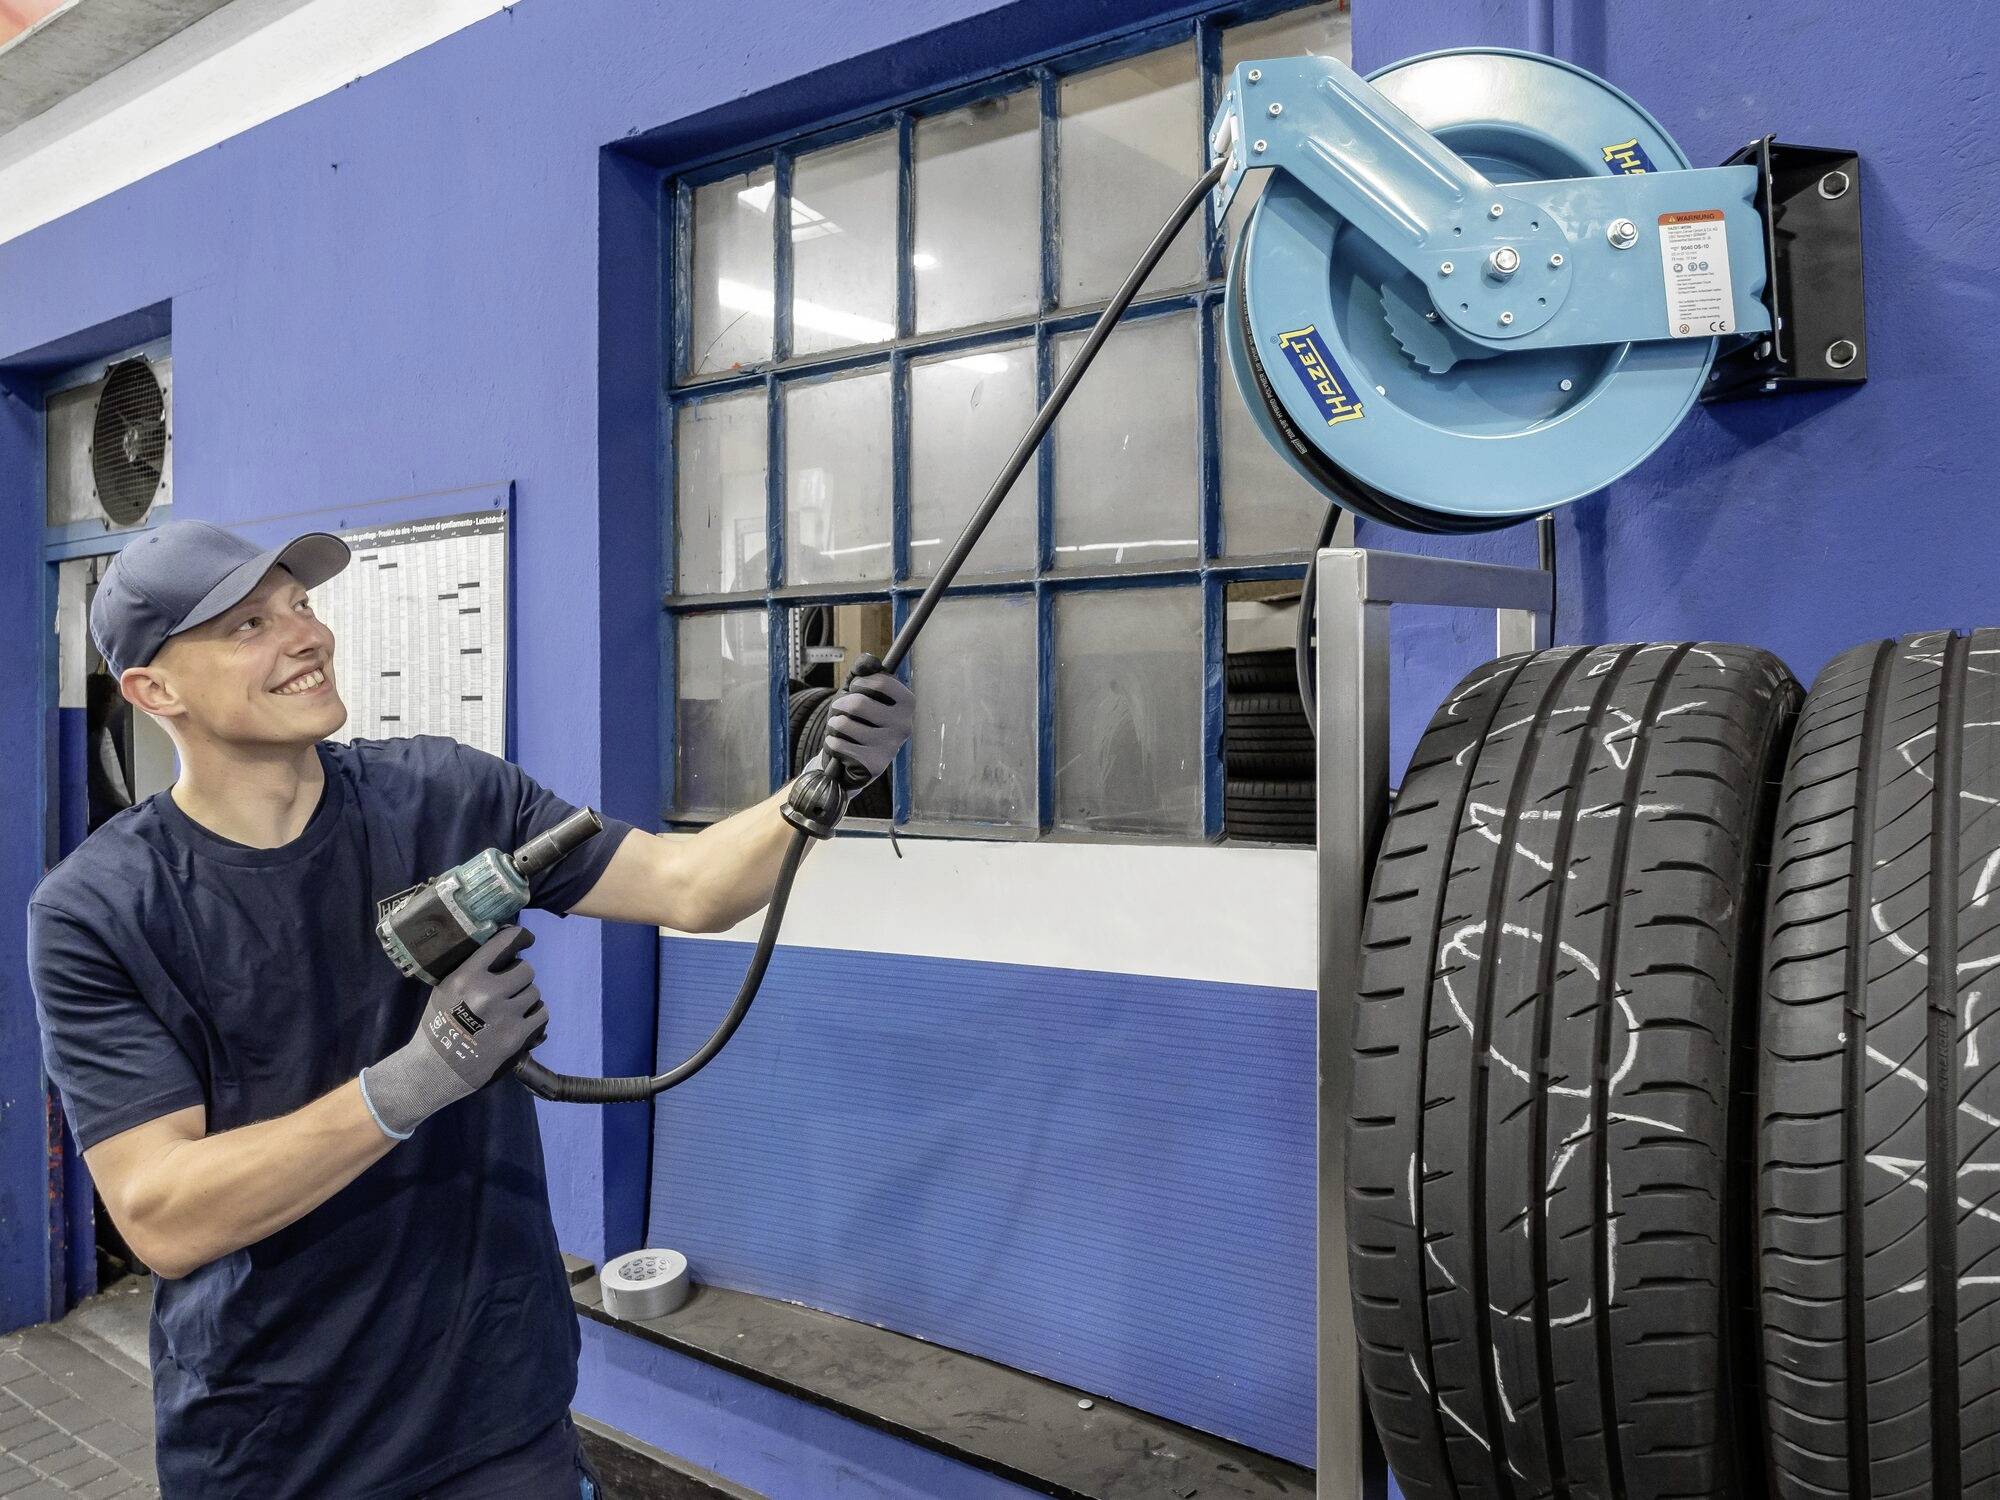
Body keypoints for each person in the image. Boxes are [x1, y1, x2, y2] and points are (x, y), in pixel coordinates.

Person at [25, 520, 913, 1499]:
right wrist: (419, 1076)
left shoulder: (441, 794)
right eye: (246, 625)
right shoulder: (100, 910)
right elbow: (162, 1214)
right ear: (155, 690)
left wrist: (819, 789)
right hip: (275, 1442)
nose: (305, 635)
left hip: (497, 1410)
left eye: (302, 606)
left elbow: (686, 887)